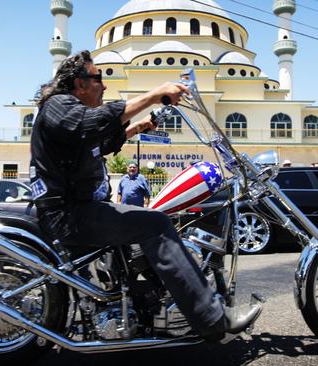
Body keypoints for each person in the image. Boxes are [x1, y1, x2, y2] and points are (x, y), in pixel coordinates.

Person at [29, 50, 260, 341]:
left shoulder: (69, 117)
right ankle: (211, 317)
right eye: (99, 78)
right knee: (157, 225)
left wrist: (139, 126)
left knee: (144, 234)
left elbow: (99, 139)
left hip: (76, 209)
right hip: (69, 214)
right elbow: (90, 124)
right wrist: (154, 94)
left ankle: (150, 309)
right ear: (80, 83)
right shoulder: (59, 106)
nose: (105, 85)